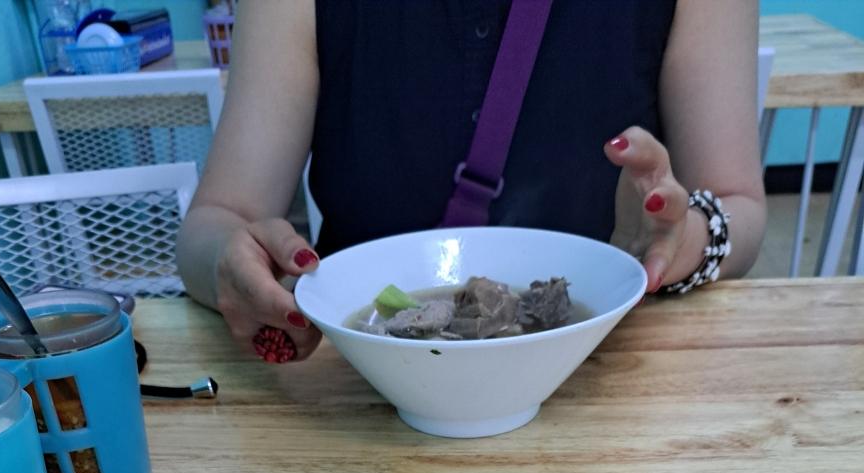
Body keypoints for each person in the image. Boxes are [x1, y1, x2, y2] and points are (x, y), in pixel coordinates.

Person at [177, 0, 767, 361]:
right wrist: (234, 264)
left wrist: (678, 241)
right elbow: (218, 220)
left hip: (609, 383)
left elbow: (738, 202)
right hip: (354, 390)